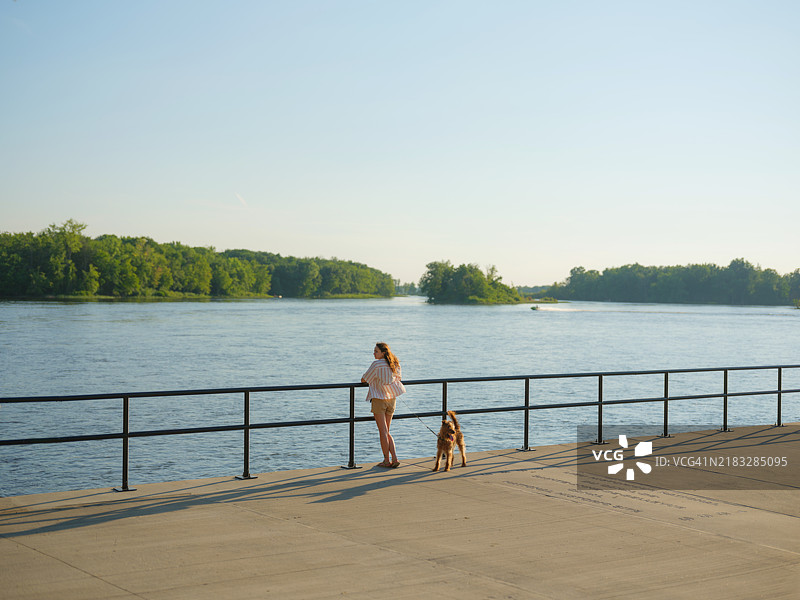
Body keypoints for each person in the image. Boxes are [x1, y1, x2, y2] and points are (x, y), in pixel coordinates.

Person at [361, 342, 406, 468]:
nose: (374, 353)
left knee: (383, 432)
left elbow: (364, 379)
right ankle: (394, 458)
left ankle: (386, 460)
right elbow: (399, 378)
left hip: (379, 399)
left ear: (383, 352)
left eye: (376, 351)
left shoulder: (376, 364)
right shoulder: (395, 363)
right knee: (387, 431)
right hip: (391, 399)